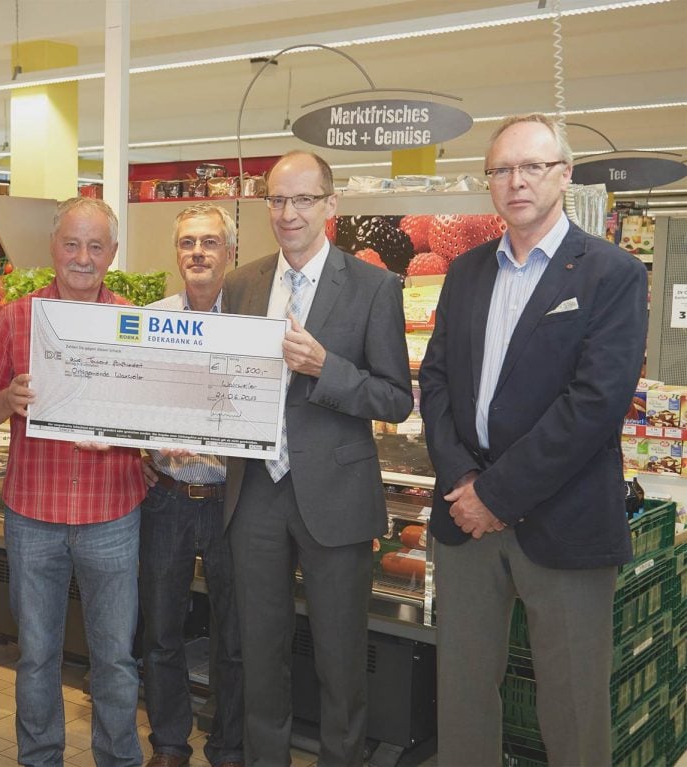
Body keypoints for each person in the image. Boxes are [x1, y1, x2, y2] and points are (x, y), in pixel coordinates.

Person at [419, 113, 648, 765]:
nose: (516, 180)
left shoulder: (612, 274)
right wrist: (463, 480)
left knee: (573, 709)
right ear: (489, 182)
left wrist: (495, 493)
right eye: (502, 169)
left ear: (564, 175)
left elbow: (593, 406)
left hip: (565, 519)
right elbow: (434, 383)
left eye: (533, 166)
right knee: (462, 700)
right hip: (465, 522)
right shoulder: (465, 274)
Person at [221, 151, 412, 766]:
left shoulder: (373, 286)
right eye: (277, 199)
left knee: (339, 658)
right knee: (261, 652)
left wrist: (326, 369)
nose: (288, 213)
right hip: (255, 492)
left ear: (331, 205)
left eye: (303, 199)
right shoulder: (242, 283)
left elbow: (395, 397)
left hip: (336, 497)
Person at [0, 197, 146, 767]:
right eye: (72, 243)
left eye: (96, 246)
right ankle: (39, 758)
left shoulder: (133, 322)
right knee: (38, 654)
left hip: (112, 512)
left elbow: (154, 415)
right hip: (33, 513)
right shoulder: (15, 318)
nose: (82, 257)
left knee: (115, 659)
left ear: (113, 254)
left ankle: (117, 759)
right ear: (53, 247)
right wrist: (7, 399)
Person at [141, 203, 243, 767]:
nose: (197, 252)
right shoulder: (152, 320)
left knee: (235, 633)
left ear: (229, 251)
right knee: (161, 632)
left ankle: (228, 746)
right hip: (169, 496)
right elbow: (131, 401)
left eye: (208, 242)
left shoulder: (251, 320)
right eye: (187, 243)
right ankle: (170, 745)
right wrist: (144, 446)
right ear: (176, 252)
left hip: (233, 501)